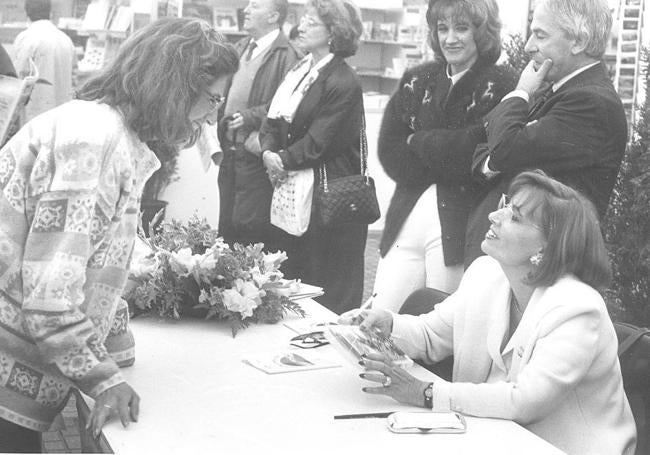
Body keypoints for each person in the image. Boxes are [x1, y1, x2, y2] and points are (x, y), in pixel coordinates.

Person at [0, 18, 238, 453]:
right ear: (175, 85)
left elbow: (88, 265)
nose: (210, 117)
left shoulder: (106, 133)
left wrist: (115, 347)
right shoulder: (97, 144)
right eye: (212, 99)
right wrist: (104, 377)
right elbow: (51, 297)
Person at [342, 170, 637, 455]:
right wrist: (388, 324)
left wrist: (424, 392)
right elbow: (432, 334)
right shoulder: (486, 274)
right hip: (489, 438)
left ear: (547, 248)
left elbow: (525, 401)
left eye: (515, 217)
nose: (495, 216)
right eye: (505, 205)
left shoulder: (578, 307)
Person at [371, 0, 516, 311]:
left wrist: (418, 141)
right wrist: (446, 152)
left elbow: (475, 153)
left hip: (459, 222)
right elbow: (389, 151)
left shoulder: (503, 83)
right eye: (442, 28)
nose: (450, 38)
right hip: (405, 217)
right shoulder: (416, 78)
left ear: (483, 32)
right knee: (382, 314)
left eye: (462, 28)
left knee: (439, 321)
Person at [464, 0, 627, 266]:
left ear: (579, 41)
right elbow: (491, 146)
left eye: (540, 35)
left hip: (543, 270)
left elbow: (503, 149)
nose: (529, 46)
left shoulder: (591, 102)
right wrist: (502, 151)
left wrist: (520, 93)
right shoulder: (563, 91)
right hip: (518, 261)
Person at [259, 0, 366, 314]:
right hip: (296, 187)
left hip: (327, 198)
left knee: (325, 285)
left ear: (334, 32)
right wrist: (268, 152)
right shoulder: (300, 71)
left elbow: (321, 141)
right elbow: (271, 121)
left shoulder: (344, 80)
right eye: (301, 19)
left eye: (311, 21)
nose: (300, 26)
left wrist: (280, 159)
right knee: (295, 275)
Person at [216, 0, 300, 252]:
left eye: (256, 6)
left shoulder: (289, 55)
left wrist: (251, 116)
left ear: (274, 15)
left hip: (255, 156)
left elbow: (288, 105)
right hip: (231, 152)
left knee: (250, 233)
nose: (246, 10)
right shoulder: (240, 47)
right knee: (227, 228)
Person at [11, 0, 77, 122]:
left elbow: (16, 81)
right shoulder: (66, 40)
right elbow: (74, 80)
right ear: (50, 12)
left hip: (34, 117)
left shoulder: (26, 38)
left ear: (27, 12)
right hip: (61, 116)